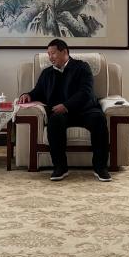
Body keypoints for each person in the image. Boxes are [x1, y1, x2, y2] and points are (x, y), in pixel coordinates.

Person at [18, 39, 110, 182]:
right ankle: (60, 167)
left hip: (85, 110)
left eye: (53, 53)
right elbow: (38, 92)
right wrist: (27, 95)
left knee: (99, 119)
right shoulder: (47, 73)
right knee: (54, 121)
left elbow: (86, 92)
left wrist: (66, 105)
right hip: (60, 113)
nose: (50, 57)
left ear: (65, 52)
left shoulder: (82, 67)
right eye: (48, 54)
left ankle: (100, 167)